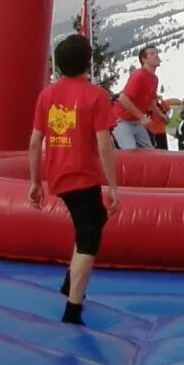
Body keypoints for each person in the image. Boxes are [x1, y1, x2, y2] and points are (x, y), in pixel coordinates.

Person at [27, 34, 120, 326]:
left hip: (58, 175)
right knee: (89, 238)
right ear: (88, 62)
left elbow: (34, 142)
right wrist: (114, 186)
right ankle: (72, 308)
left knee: (92, 221)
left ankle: (70, 282)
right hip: (82, 176)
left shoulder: (47, 95)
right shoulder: (96, 96)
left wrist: (35, 182)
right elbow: (104, 144)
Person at [113, 46, 162, 150]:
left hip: (136, 122)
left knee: (149, 151)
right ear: (144, 59)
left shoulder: (154, 79)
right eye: (152, 53)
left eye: (157, 53)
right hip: (121, 120)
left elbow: (151, 101)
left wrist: (161, 115)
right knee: (130, 151)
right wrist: (142, 117)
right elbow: (123, 98)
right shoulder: (139, 75)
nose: (156, 55)